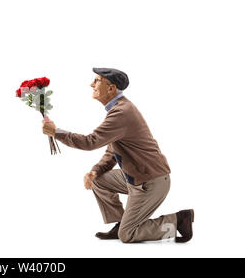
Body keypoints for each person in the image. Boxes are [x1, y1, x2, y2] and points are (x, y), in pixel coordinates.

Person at [42, 68, 194, 243]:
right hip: (137, 177)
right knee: (98, 180)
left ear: (111, 88)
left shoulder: (122, 112)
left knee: (128, 235)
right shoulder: (119, 108)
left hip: (151, 182)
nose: (91, 84)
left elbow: (90, 142)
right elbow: (113, 150)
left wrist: (57, 132)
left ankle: (179, 221)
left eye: (97, 80)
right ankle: (121, 222)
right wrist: (95, 171)